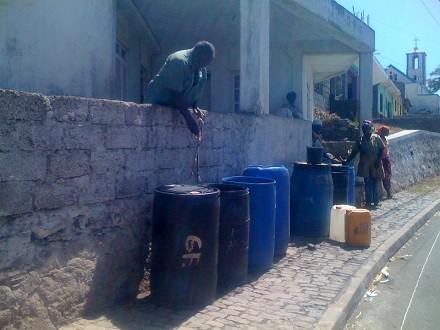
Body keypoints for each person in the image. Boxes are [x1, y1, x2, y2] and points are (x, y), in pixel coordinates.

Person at [145, 41, 215, 137]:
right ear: (197, 53)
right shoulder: (178, 61)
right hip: (156, 104)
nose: (204, 65)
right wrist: (190, 120)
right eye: (203, 61)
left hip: (175, 107)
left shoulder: (202, 70)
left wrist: (195, 106)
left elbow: (195, 90)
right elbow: (175, 93)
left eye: (207, 63)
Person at [343, 120, 385, 209]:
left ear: (370, 129)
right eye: (364, 129)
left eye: (367, 128)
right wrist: (346, 161)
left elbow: (381, 149)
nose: (366, 130)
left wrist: (378, 160)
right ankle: (368, 201)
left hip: (375, 162)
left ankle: (376, 201)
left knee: (375, 181)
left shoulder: (376, 137)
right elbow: (354, 152)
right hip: (365, 163)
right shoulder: (360, 140)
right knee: (367, 182)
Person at [377, 125, 393, 199]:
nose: (388, 132)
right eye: (387, 131)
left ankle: (389, 192)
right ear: (382, 132)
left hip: (386, 159)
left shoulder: (383, 138)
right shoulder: (379, 139)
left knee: (388, 177)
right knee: (385, 177)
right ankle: (388, 193)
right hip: (383, 159)